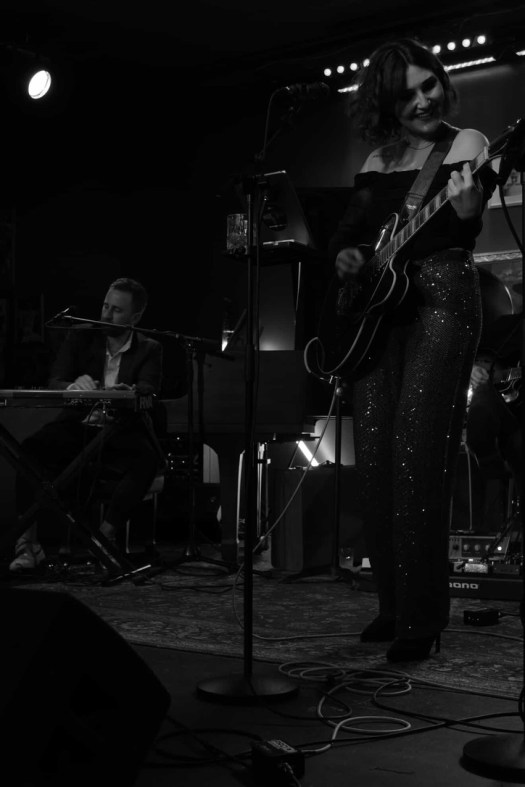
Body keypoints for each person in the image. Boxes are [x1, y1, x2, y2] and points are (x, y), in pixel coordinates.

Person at [328, 39, 497, 661]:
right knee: (374, 462)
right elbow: (349, 237)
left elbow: (464, 223)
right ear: (386, 106)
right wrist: (347, 259)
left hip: (442, 299)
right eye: (407, 95)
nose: (424, 100)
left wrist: (469, 211)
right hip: (380, 313)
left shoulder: (467, 143)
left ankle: (423, 620)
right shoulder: (378, 159)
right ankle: (392, 604)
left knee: (418, 459)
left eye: (430, 85)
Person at [9, 277, 164, 572]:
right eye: (105, 306)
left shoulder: (149, 348)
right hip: (79, 426)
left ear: (135, 317)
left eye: (116, 310)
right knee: (30, 450)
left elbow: (149, 389)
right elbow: (56, 380)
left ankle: (103, 539)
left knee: (147, 458)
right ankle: (27, 545)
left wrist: (130, 392)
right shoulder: (81, 338)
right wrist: (73, 385)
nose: (107, 314)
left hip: (120, 430)